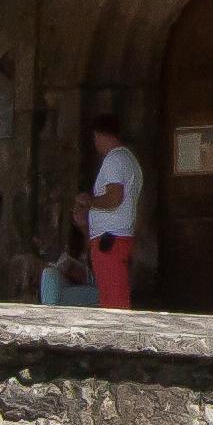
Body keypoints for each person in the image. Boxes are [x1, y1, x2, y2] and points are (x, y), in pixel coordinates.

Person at [77, 113, 142, 309]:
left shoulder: (115, 159)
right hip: (116, 237)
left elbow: (114, 197)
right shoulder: (127, 159)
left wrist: (90, 201)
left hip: (110, 239)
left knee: (114, 300)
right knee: (112, 295)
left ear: (99, 135)